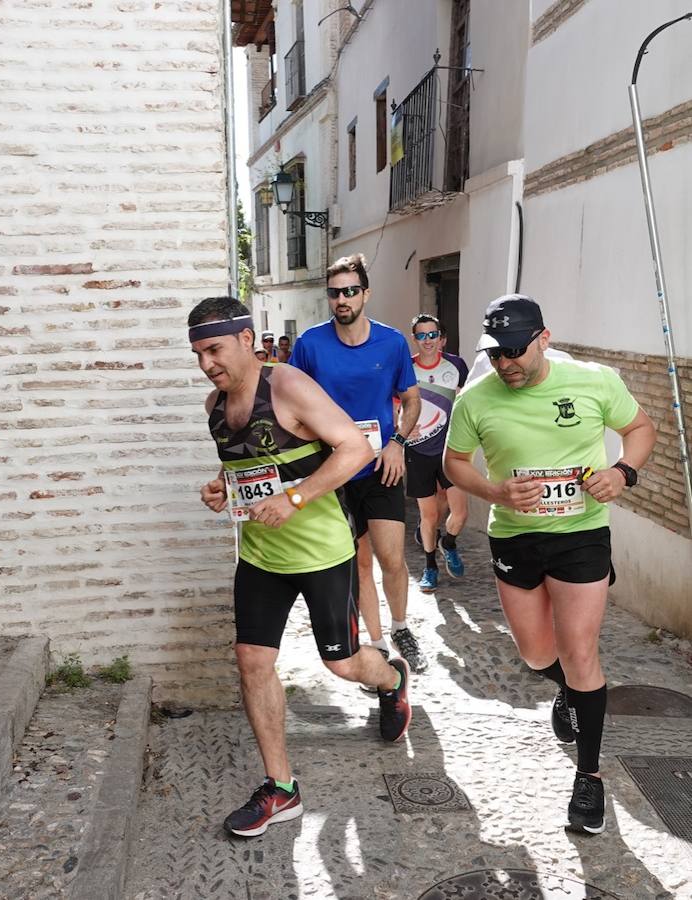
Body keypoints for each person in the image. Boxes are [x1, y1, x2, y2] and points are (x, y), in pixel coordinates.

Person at [190, 296, 413, 838]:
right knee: (251, 659)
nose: (207, 364)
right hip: (263, 557)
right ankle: (282, 788)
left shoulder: (287, 386)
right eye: (197, 354)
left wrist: (294, 499)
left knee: (340, 663)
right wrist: (225, 489)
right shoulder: (213, 407)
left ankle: (390, 678)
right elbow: (251, 470)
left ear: (246, 340)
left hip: (321, 554)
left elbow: (355, 449)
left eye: (214, 349)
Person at [444, 294, 656, 835]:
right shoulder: (477, 399)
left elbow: (641, 430)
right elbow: (453, 463)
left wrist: (623, 473)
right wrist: (496, 491)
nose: (505, 363)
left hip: (581, 533)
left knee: (580, 651)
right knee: (537, 653)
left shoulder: (594, 381)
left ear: (544, 338)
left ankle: (589, 777)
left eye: (514, 350)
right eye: (495, 354)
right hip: (515, 537)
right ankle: (567, 690)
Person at [289, 253, 428, 674]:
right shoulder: (310, 344)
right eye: (334, 293)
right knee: (359, 563)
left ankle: (401, 626)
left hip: (381, 468)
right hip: (334, 472)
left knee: (393, 558)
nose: (342, 299)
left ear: (365, 294)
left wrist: (398, 443)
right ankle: (379, 642)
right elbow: (292, 402)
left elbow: (412, 398)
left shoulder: (391, 342)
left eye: (350, 291)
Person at [404, 314, 469, 592]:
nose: (428, 340)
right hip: (418, 452)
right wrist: (402, 428)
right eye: (422, 335)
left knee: (461, 513)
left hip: (451, 450)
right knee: (428, 517)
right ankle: (430, 567)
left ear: (441, 337)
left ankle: (449, 543)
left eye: (432, 334)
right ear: (414, 339)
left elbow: (469, 401)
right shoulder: (406, 369)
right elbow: (394, 403)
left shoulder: (456, 365)